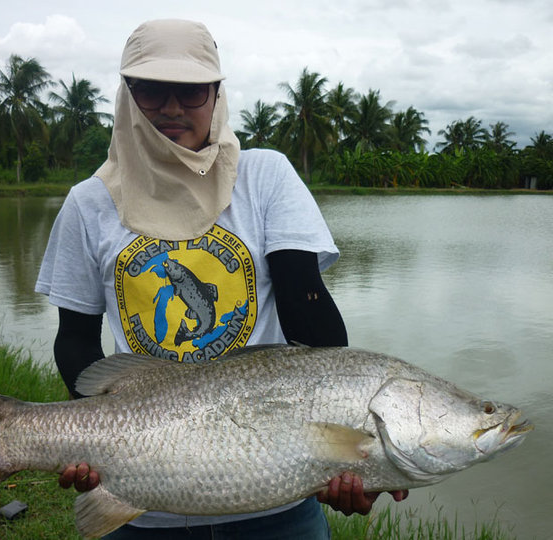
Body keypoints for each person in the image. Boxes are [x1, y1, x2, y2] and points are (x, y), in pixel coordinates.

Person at [35, 18, 407, 539]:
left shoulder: (265, 177)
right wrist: (97, 442)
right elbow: (74, 337)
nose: (171, 107)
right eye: (151, 89)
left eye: (190, 91)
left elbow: (312, 320)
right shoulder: (89, 203)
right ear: (127, 95)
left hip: (277, 503)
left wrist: (355, 453)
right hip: (143, 507)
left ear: (215, 94)